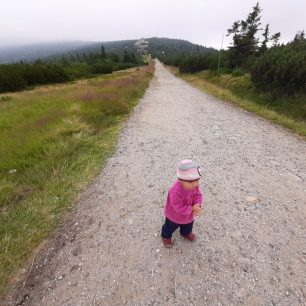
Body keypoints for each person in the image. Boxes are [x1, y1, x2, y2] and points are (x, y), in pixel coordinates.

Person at [161, 159, 203, 248]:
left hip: (188, 215)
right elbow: (178, 207)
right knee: (169, 227)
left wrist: (197, 204)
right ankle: (166, 236)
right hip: (174, 215)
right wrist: (192, 209)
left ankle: (185, 233)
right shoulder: (175, 191)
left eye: (197, 180)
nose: (195, 184)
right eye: (191, 181)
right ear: (181, 180)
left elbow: (198, 195)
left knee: (188, 224)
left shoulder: (195, 186)